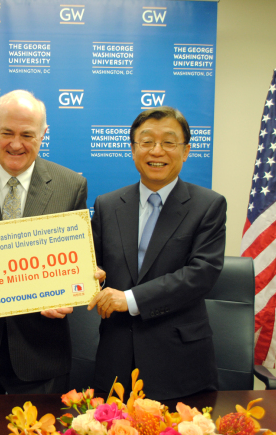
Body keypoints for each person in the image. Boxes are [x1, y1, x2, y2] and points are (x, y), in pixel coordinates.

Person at [0, 89, 93, 394]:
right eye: (7, 132)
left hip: (41, 353)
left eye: (27, 134)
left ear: (43, 134)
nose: (16, 144)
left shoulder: (71, 185)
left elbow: (76, 260)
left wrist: (69, 294)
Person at [88, 106, 226, 400]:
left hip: (180, 363)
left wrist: (128, 299)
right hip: (115, 360)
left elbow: (201, 274)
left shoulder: (208, 206)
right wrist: (92, 279)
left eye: (169, 142)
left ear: (186, 151)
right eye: (147, 141)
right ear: (133, 149)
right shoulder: (107, 205)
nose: (157, 150)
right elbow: (92, 268)